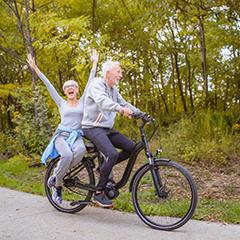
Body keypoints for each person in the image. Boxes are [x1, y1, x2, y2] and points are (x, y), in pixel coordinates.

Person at [27, 50, 98, 204]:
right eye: (67, 87)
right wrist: (35, 68)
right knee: (66, 155)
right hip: (62, 136)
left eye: (73, 86)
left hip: (77, 136)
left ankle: (55, 175)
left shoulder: (84, 100)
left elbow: (91, 81)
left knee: (79, 152)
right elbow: (48, 84)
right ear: (65, 92)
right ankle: (57, 186)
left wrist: (94, 62)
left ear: (77, 90)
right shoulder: (61, 102)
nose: (70, 88)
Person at [82, 60, 142, 208]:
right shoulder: (96, 85)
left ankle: (102, 169)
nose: (121, 75)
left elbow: (124, 103)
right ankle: (99, 193)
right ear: (108, 73)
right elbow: (102, 101)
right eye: (118, 72)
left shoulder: (113, 90)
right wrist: (120, 110)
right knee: (112, 154)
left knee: (132, 148)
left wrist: (142, 114)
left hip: (106, 128)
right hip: (92, 127)